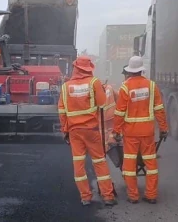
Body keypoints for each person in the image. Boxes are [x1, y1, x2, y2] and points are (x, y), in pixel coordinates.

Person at [58, 55, 117, 207]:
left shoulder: (66, 87)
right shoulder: (94, 82)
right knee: (99, 161)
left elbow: (62, 111)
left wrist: (65, 130)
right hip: (91, 130)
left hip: (74, 131)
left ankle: (85, 197)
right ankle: (108, 196)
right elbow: (103, 104)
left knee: (78, 164)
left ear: (75, 68)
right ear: (88, 68)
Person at [113, 56, 168, 204]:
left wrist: (116, 131)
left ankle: (133, 196)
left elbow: (119, 112)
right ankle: (151, 195)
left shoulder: (125, 87)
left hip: (130, 133)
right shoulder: (151, 86)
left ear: (130, 71)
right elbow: (159, 109)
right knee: (151, 164)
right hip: (148, 132)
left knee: (130, 165)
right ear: (141, 70)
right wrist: (163, 128)